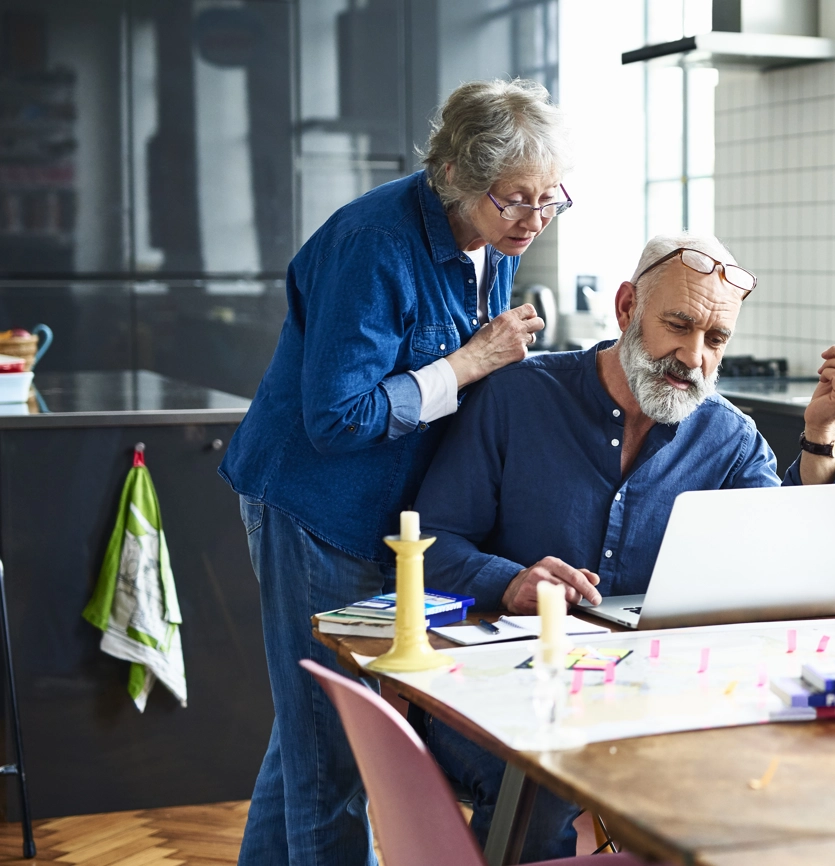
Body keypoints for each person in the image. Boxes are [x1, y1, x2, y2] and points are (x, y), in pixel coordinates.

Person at [414, 232, 835, 859]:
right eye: (679, 325)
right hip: (501, 694)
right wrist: (508, 580)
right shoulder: (516, 397)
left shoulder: (728, 440)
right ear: (628, 306)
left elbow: (791, 557)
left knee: (765, 776)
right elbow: (431, 542)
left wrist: (821, 431)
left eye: (716, 340)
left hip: (655, 700)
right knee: (542, 786)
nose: (693, 357)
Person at [218, 78, 570, 866]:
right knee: (333, 751)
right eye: (516, 201)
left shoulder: (494, 238)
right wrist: (471, 359)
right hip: (315, 507)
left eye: (550, 200)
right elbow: (337, 417)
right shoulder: (374, 244)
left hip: (384, 518)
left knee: (311, 730)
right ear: (456, 175)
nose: (535, 220)